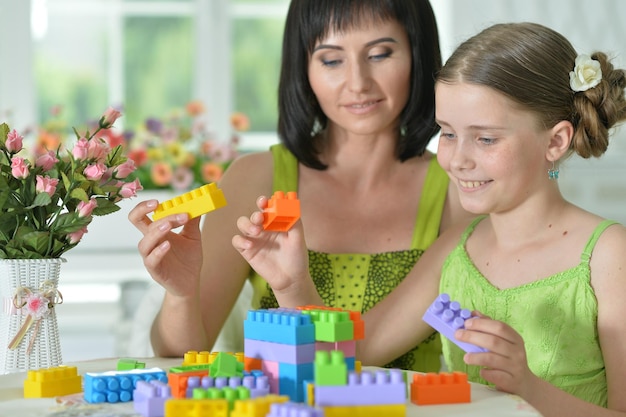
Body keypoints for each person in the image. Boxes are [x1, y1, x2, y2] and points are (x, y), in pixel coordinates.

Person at [233, 22, 626, 415]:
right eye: (448, 133)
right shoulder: (458, 247)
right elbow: (356, 351)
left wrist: (529, 386)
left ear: (555, 141)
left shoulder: (608, 256)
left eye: (486, 138)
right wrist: (292, 285)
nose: (456, 159)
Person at [128, 0, 473, 372]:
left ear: (417, 55)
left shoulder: (462, 191)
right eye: (331, 60)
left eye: (380, 54)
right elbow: (179, 361)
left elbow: (358, 353)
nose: (358, 83)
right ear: (303, 66)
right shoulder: (253, 179)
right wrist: (181, 295)